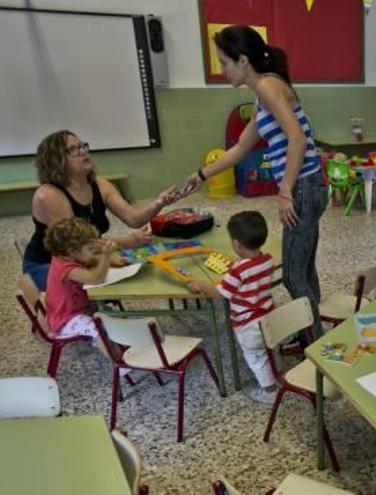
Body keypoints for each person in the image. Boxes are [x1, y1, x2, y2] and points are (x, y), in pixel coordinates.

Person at [184, 25, 327, 339]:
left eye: (224, 62)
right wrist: (200, 175)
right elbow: (239, 149)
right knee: (303, 270)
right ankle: (312, 332)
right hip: (309, 185)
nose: (223, 70)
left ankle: (317, 347)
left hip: (303, 187)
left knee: (292, 276)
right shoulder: (264, 94)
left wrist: (285, 190)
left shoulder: (267, 87)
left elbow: (298, 140)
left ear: (244, 60)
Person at [23, 130, 178, 290]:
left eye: (82, 146)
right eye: (74, 149)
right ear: (56, 160)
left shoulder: (100, 183)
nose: (83, 152)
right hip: (49, 264)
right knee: (95, 285)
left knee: (136, 272)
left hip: (88, 255)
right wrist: (126, 243)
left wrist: (159, 202)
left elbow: (133, 218)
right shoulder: (48, 194)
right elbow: (76, 245)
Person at [187, 211, 277, 404]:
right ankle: (275, 373)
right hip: (268, 316)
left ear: (236, 244)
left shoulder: (238, 270)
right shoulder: (267, 259)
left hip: (248, 324)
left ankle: (270, 391)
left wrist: (201, 285)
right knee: (267, 350)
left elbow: (219, 294)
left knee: (255, 357)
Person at [44, 217, 116, 341]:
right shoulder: (66, 269)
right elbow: (96, 278)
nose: (94, 250)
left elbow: (88, 259)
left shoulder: (66, 256)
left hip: (78, 308)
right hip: (66, 318)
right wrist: (106, 256)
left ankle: (118, 341)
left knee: (109, 314)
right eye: (90, 248)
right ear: (72, 251)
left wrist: (109, 260)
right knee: (97, 329)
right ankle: (116, 358)